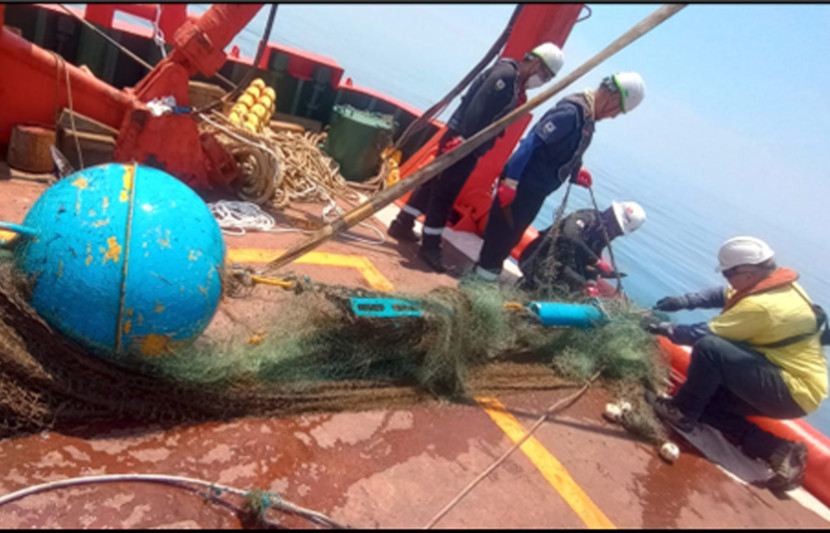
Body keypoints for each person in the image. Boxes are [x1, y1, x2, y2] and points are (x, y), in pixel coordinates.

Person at [646, 236, 828, 490]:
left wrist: (661, 327)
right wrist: (686, 301)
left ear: (749, 272)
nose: (727, 278)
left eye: (730, 273)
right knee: (707, 406)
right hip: (784, 382)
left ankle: (682, 413)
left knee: (711, 348)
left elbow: (705, 335)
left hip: (791, 388)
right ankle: (779, 449)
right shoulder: (773, 285)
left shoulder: (762, 305)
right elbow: (723, 294)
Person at [387, 42, 565, 273]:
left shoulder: (514, 82)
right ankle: (430, 246)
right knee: (445, 194)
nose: (543, 81)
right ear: (536, 63)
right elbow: (477, 108)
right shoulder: (506, 77)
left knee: (433, 183)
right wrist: (462, 140)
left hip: (468, 142)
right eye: (545, 75)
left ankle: (402, 223)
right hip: (463, 142)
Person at [473, 72, 646, 281]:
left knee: (512, 237)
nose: (613, 116)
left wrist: (576, 171)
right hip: (522, 186)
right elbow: (530, 144)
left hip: (536, 192)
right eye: (618, 110)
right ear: (613, 98)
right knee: (500, 238)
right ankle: (478, 279)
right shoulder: (571, 113)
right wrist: (510, 182)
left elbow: (568, 150)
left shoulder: (587, 121)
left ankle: (484, 275)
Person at [518, 198, 646, 296]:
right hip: (537, 257)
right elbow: (570, 235)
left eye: (618, 230)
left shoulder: (602, 236)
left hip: (558, 266)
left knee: (578, 283)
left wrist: (592, 282)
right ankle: (526, 287)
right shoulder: (586, 217)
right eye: (615, 226)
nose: (614, 232)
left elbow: (589, 261)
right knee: (573, 282)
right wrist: (596, 261)